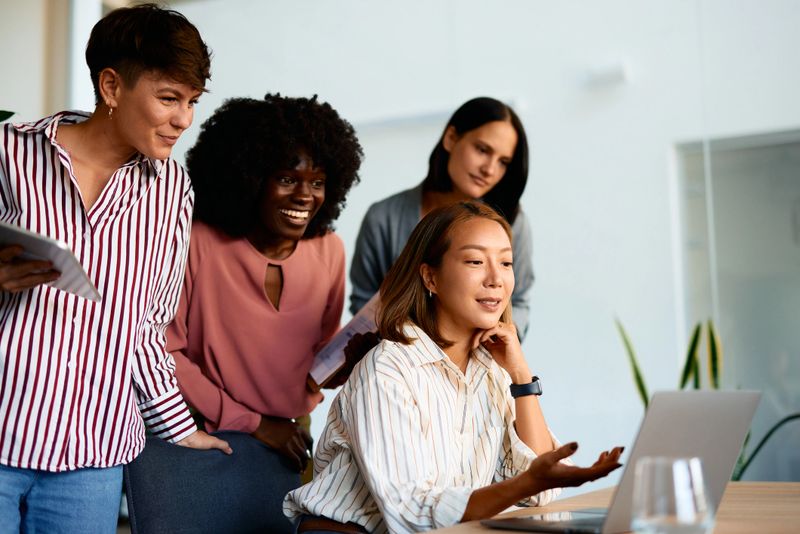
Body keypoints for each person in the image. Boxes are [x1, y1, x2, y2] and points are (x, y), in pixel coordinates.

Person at [0, 5, 229, 532]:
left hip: (93, 451)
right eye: (169, 98)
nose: (184, 119)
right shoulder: (10, 154)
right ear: (111, 85)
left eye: (192, 101)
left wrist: (177, 424)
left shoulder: (172, 189)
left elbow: (147, 326)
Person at [285, 201, 623, 533]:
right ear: (430, 278)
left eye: (506, 262)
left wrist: (521, 378)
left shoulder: (492, 370)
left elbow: (540, 493)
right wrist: (528, 483)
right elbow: (411, 513)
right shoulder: (387, 368)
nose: (496, 279)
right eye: (476, 261)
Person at [125, 94, 363, 533]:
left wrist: (362, 350)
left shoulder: (330, 251)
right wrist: (255, 424)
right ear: (250, 178)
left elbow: (316, 360)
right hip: (189, 430)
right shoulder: (197, 242)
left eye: (318, 181)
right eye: (287, 178)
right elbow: (163, 350)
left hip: (286, 436)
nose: (305, 196)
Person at [349, 97, 535, 338]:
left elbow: (519, 303)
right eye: (482, 150)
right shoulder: (383, 217)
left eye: (503, 162)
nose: (489, 169)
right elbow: (363, 303)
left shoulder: (511, 221)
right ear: (451, 138)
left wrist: (493, 344)